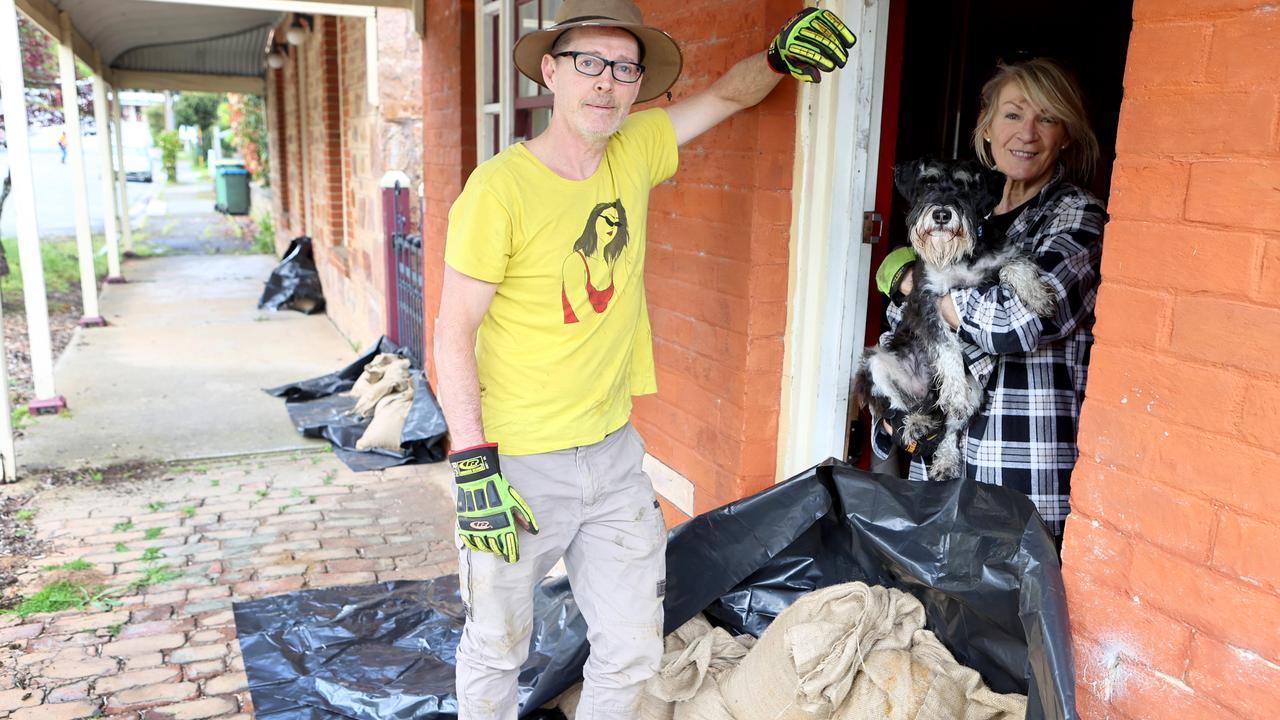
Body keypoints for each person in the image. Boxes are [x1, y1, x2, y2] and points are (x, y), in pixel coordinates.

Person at [433, 2, 855, 717]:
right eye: (588, 63)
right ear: (551, 72)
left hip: (614, 457)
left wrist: (778, 60)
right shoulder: (498, 191)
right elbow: (452, 330)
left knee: (631, 650)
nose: (606, 83)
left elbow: (725, 94)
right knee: (498, 645)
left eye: (624, 68)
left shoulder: (635, 148)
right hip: (518, 466)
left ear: (636, 84)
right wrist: (474, 464)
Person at [871, 58, 1107, 546]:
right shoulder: (966, 207)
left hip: (1015, 458)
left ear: (1066, 135)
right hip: (940, 452)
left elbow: (1016, 322)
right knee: (937, 601)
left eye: (1047, 118)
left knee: (1007, 609)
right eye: (1014, 115)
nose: (1028, 133)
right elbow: (904, 324)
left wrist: (919, 283)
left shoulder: (1075, 215)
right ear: (987, 125)